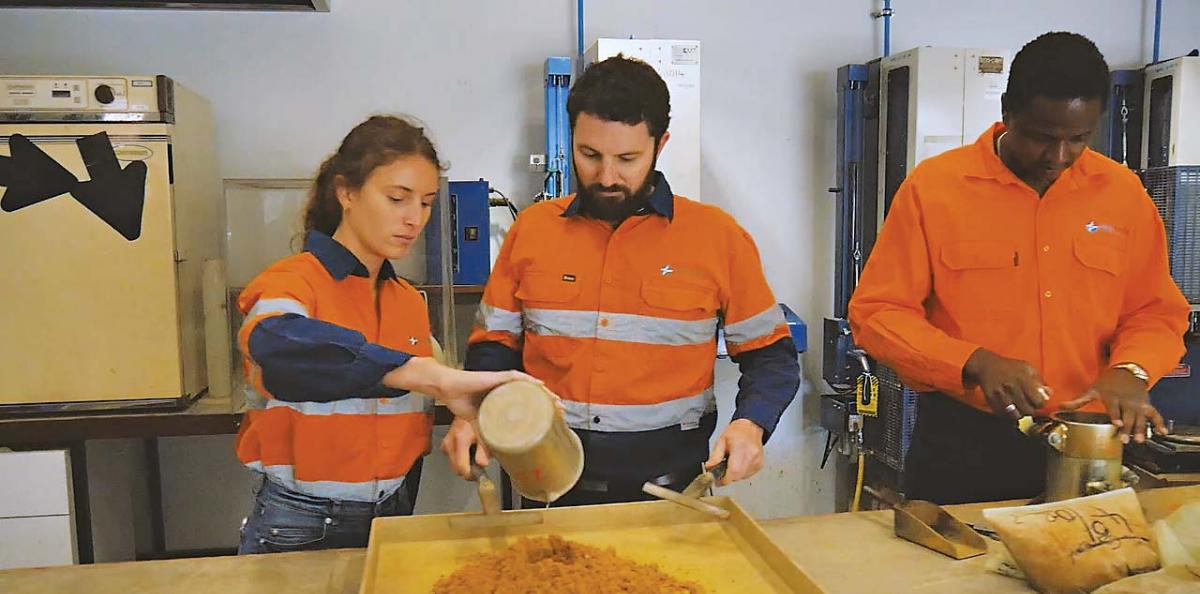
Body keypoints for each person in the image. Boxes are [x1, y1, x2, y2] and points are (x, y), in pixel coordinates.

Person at [848, 32, 1190, 505]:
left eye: (1079, 139)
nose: (1059, 157)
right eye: (1042, 138)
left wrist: (1130, 371)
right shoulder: (936, 189)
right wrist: (973, 361)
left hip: (1092, 446)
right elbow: (877, 314)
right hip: (965, 445)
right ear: (1008, 110)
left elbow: (1155, 312)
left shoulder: (1123, 194)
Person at [442, 56, 802, 506]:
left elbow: (771, 358)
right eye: (589, 155)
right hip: (547, 486)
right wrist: (474, 414)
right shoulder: (532, 231)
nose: (607, 177)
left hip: (670, 493)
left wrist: (751, 423)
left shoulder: (718, 238)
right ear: (571, 138)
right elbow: (493, 347)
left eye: (627, 159)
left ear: (660, 144)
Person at [235, 115, 533, 553]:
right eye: (397, 198)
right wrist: (428, 377)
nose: (415, 219)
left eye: (427, 203)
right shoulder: (293, 283)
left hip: (393, 512)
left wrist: (467, 418)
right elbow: (277, 345)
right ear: (347, 193)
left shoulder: (408, 301)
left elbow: (433, 383)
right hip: (300, 521)